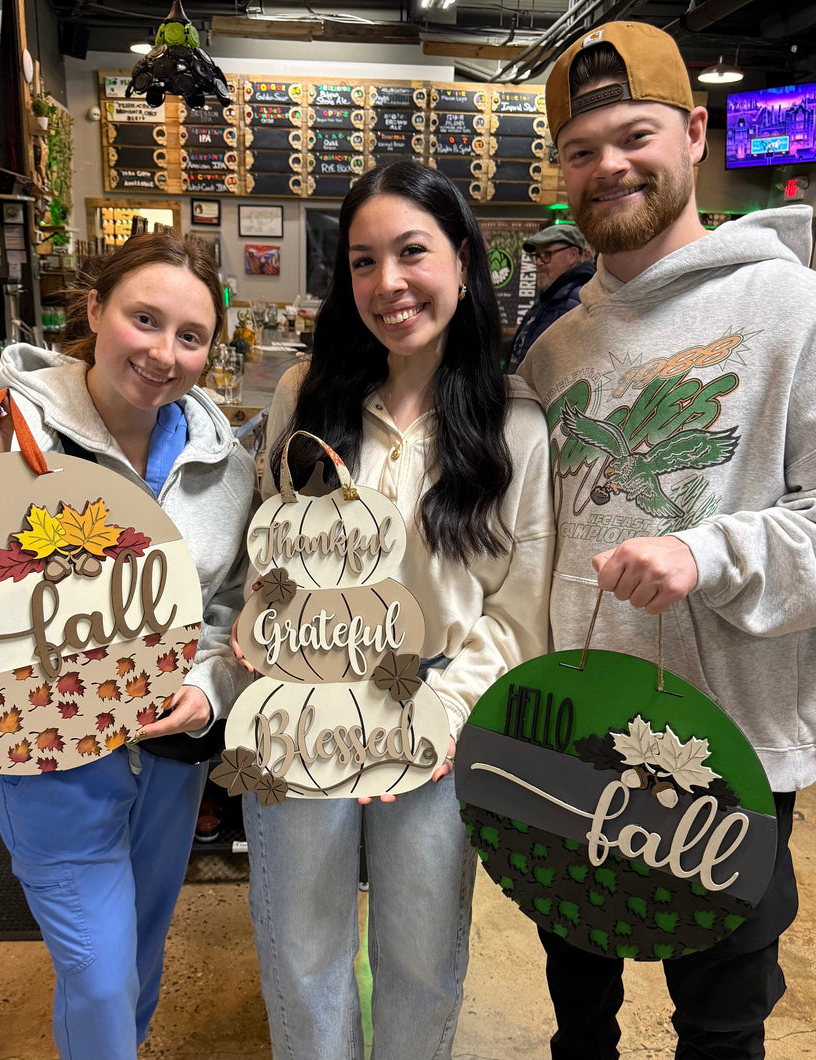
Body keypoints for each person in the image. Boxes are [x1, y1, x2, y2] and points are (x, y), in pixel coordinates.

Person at [517, 20, 816, 1060]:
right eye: (580, 149)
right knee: (577, 1008)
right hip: (567, 728)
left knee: (719, 1024)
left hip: (723, 750)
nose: (608, 166)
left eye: (634, 136)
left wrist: (709, 553)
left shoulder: (803, 316)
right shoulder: (554, 349)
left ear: (694, 133)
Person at [0, 233, 256, 1060]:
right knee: (99, 978)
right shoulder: (11, 426)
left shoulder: (225, 463)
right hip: (51, 757)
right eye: (145, 319)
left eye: (190, 336)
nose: (163, 353)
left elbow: (230, 601)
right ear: (95, 309)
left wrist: (210, 685)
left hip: (168, 764)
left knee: (136, 958)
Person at [241, 159, 554, 1060]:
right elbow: (271, 548)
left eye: (412, 252)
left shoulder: (513, 426)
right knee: (301, 951)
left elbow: (518, 614)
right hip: (304, 705)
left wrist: (439, 712)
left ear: (462, 259)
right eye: (363, 261)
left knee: (422, 956)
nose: (389, 283)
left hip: (439, 718)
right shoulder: (306, 395)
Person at [505, 222, 594, 373]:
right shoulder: (551, 297)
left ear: (572, 255)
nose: (538, 263)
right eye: (536, 256)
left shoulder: (579, 301)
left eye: (546, 255)